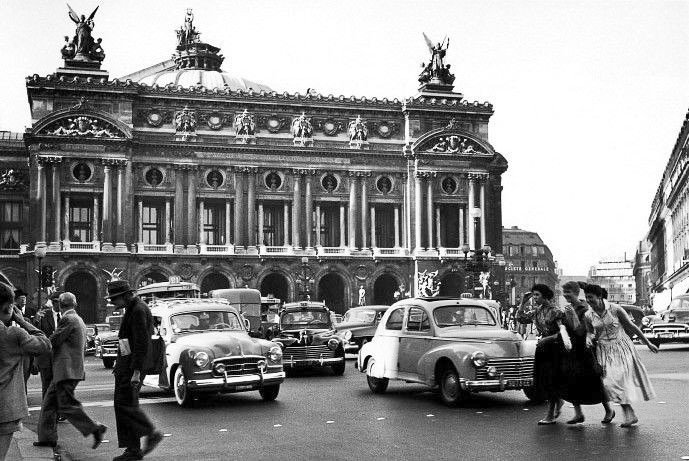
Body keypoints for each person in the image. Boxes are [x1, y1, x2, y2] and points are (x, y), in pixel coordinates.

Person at [35, 292, 107, 449]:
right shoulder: (78, 319)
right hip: (70, 369)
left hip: (65, 370)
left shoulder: (67, 319)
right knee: (50, 403)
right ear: (75, 304)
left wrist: (37, 340)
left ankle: (94, 428)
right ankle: (47, 438)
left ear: (60, 305)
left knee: (65, 405)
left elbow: (54, 340)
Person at [583, 283, 658, 427]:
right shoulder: (588, 314)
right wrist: (588, 338)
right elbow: (589, 331)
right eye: (586, 297)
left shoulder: (615, 309)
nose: (588, 300)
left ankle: (629, 415)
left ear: (599, 297)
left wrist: (648, 343)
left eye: (591, 297)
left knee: (619, 380)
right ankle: (630, 413)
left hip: (622, 347)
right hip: (604, 350)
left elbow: (632, 326)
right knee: (610, 383)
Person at [106, 280, 162, 461]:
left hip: (132, 367)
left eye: (115, 298)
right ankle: (133, 449)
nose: (113, 302)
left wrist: (136, 372)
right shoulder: (134, 308)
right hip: (127, 365)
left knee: (126, 405)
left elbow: (141, 343)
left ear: (126, 295)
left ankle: (149, 433)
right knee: (124, 406)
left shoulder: (138, 310)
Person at [0, 282, 51, 461]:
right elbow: (45, 343)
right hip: (5, 410)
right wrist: (21, 320)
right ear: (8, 308)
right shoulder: (12, 334)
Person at [560, 281, 614, 424]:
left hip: (586, 348)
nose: (566, 295)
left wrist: (572, 315)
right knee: (572, 380)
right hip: (573, 349)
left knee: (594, 380)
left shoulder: (585, 308)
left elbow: (581, 331)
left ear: (576, 293)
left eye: (568, 292)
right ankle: (578, 413)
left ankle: (609, 410)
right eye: (564, 292)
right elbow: (565, 327)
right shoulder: (568, 308)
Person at [531, 284, 577, 425]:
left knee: (552, 380)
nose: (534, 297)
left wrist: (547, 339)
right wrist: (522, 302)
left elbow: (563, 331)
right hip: (543, 348)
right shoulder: (537, 311)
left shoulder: (555, 311)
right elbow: (521, 318)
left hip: (555, 349)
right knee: (544, 379)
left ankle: (550, 414)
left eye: (537, 295)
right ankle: (558, 402)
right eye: (533, 294)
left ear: (545, 296)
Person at [32, 293, 62, 398]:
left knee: (60, 385)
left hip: (61, 357)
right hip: (46, 356)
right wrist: (36, 320)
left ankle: (58, 410)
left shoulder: (68, 316)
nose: (60, 305)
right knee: (47, 385)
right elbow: (35, 331)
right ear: (53, 303)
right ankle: (47, 410)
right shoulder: (44, 315)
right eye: (58, 302)